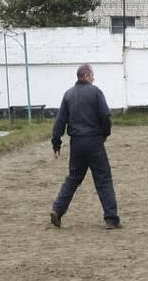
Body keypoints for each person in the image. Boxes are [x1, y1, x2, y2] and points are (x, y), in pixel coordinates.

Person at [50, 63, 120, 229]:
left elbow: (60, 121)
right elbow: (105, 116)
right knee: (103, 179)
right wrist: (104, 134)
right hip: (94, 140)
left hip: (76, 143)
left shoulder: (68, 95)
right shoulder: (96, 92)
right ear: (87, 75)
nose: (93, 78)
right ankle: (111, 218)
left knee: (73, 178)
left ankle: (57, 210)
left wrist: (56, 142)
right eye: (92, 75)